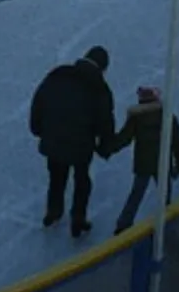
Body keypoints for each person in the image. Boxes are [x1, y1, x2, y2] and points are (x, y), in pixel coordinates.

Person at [29, 46, 116, 239]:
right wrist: (105, 146)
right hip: (81, 144)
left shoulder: (58, 74)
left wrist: (37, 128)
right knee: (82, 179)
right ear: (102, 67)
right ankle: (78, 219)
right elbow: (105, 121)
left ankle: (53, 212)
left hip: (53, 138)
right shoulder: (99, 87)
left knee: (57, 177)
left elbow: (39, 100)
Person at [110, 87, 179, 234]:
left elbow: (124, 139)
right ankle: (166, 221)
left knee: (136, 194)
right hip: (163, 163)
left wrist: (108, 147)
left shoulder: (136, 118)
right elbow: (177, 141)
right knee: (165, 194)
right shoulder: (166, 116)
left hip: (143, 164)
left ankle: (123, 224)